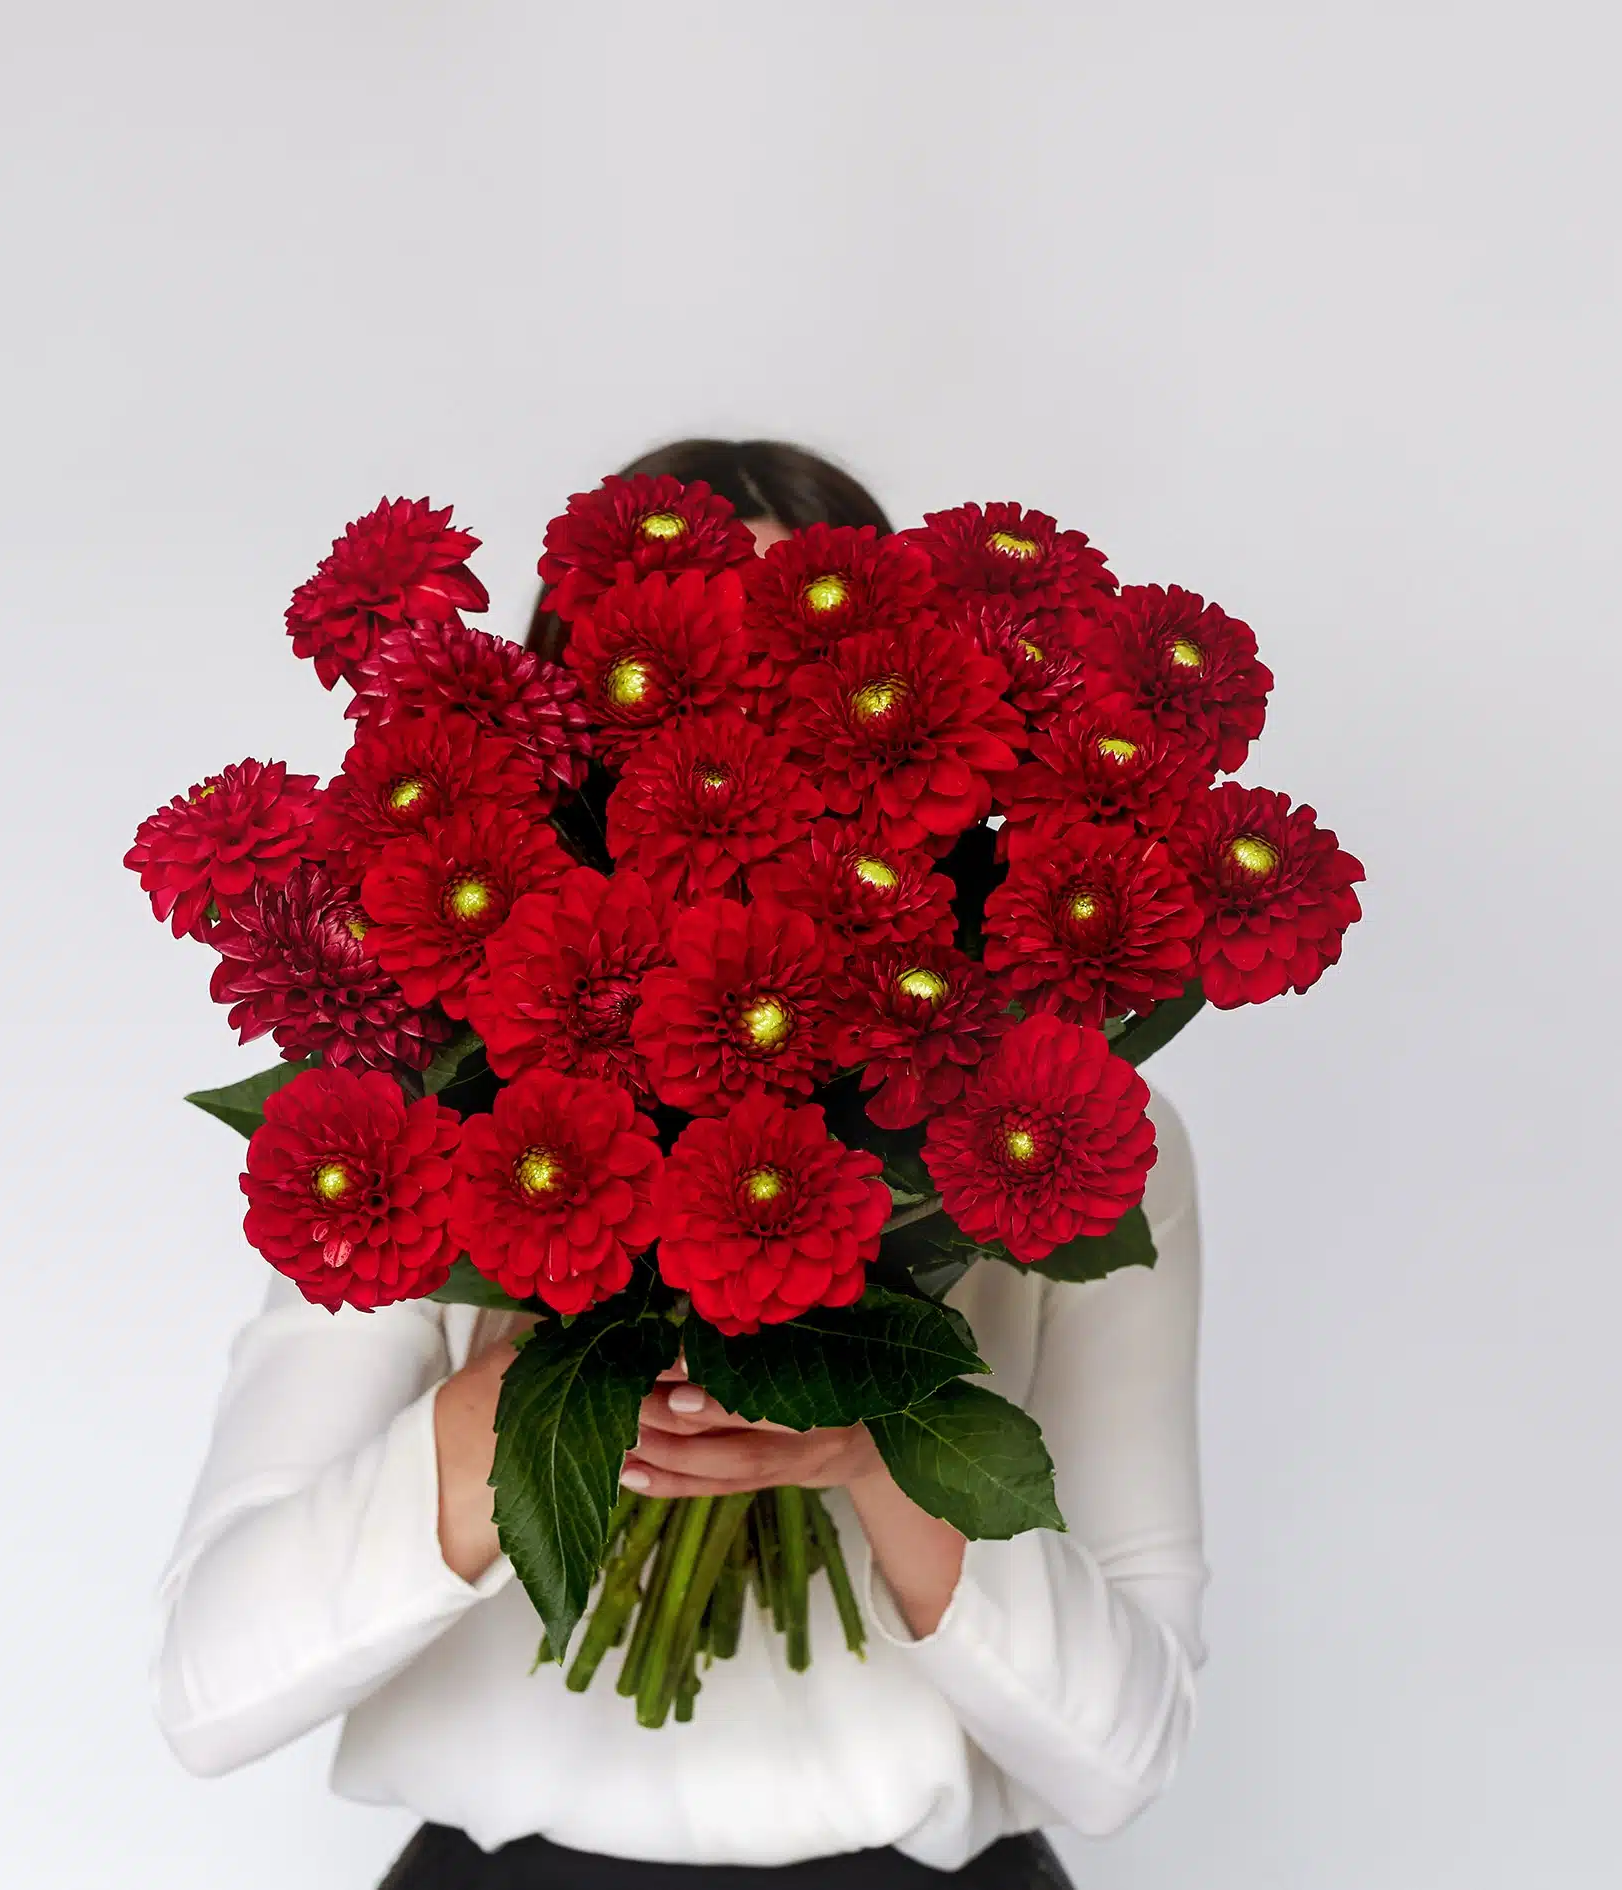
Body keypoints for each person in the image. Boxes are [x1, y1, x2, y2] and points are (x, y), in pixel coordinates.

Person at [151, 440, 1207, 1889]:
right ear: (550, 720)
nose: (731, 717)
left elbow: (1127, 1750)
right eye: (677, 661)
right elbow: (210, 1687)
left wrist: (869, 1434)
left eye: (788, 662)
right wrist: (536, 1383)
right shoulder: (407, 1120)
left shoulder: (1076, 1128)